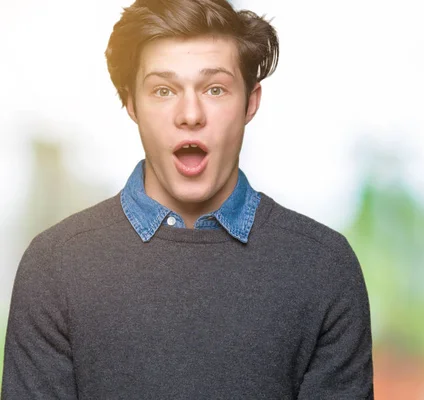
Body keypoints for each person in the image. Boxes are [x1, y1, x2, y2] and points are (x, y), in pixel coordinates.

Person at [1, 0, 373, 398]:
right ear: (131, 104)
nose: (190, 114)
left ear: (250, 102)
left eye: (215, 89)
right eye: (163, 90)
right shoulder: (56, 267)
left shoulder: (323, 268)